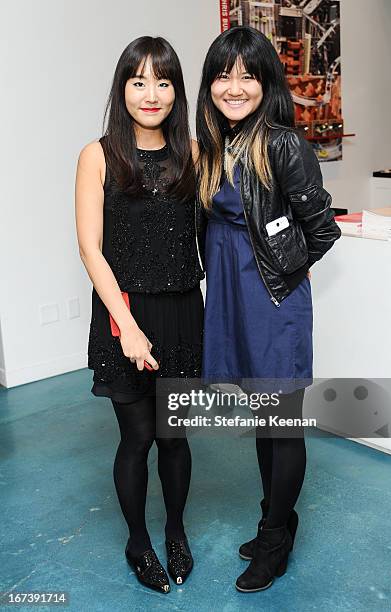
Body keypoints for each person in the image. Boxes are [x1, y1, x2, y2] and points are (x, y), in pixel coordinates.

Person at [196, 26, 341, 593]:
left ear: (266, 82)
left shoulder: (282, 143)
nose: (235, 87)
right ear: (210, 83)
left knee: (282, 425)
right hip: (231, 296)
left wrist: (288, 268)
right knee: (264, 419)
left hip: (272, 300)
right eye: (224, 75)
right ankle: (277, 519)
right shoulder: (216, 144)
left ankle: (275, 537)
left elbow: (322, 228)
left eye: (248, 75)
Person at [75, 36, 204, 594]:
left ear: (176, 89)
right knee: (137, 438)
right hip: (123, 311)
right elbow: (90, 248)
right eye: (139, 81)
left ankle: (175, 532)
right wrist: (127, 327)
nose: (151, 94)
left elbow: (219, 232)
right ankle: (138, 541)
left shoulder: (194, 153)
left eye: (164, 81)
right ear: (123, 88)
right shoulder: (98, 155)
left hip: (181, 312)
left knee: (176, 437)